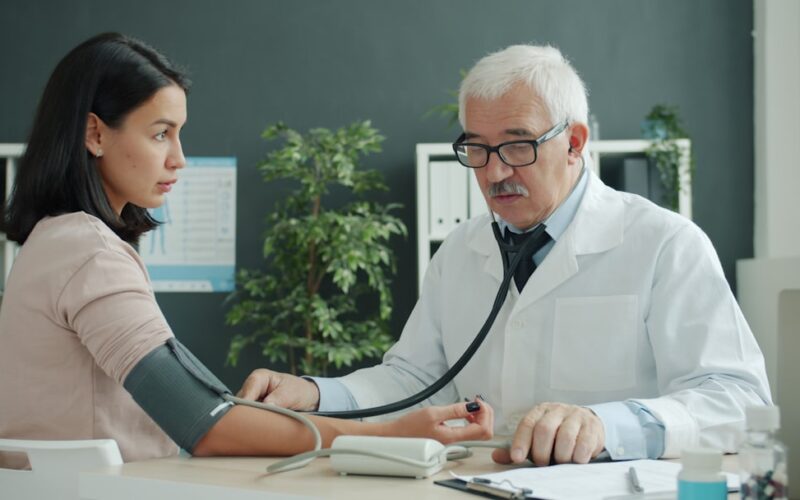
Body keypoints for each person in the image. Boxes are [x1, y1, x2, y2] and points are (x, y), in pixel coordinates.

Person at [237, 44, 772, 467]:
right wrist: (314, 393)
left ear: (575, 142)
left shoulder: (666, 244)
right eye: (476, 148)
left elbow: (736, 400)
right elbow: (413, 382)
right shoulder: (461, 250)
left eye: (518, 145)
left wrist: (606, 426)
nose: (493, 172)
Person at [0, 32, 493, 469]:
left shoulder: (54, 240)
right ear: (95, 133)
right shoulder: (89, 252)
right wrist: (390, 436)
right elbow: (202, 423)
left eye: (179, 133)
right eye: (160, 134)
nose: (179, 158)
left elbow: (199, 403)